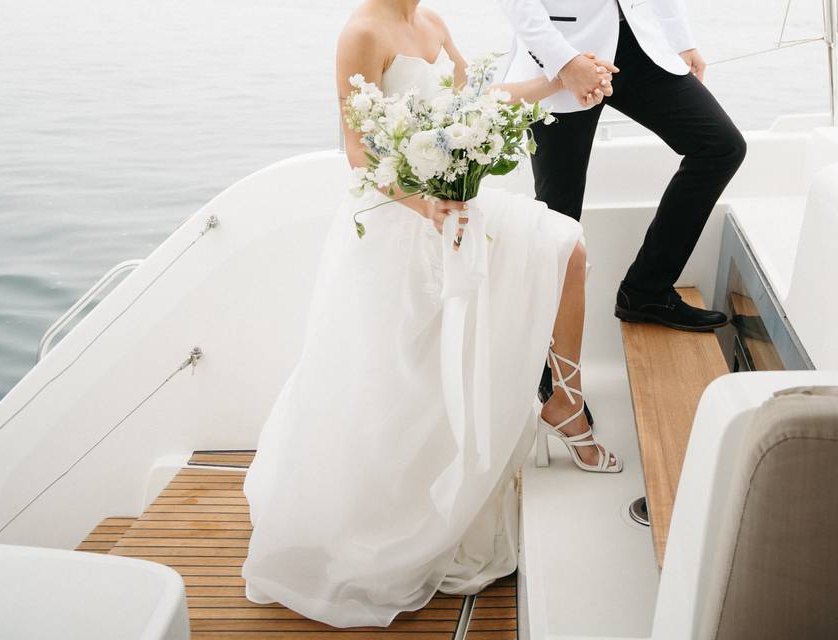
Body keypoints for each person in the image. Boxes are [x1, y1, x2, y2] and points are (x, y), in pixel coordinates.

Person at [241, 0, 622, 628]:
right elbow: (358, 151)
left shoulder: (435, 23)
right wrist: (424, 207)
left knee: (568, 248)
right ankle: (405, 506)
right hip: (398, 216)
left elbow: (480, 103)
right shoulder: (361, 32)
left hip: (454, 203)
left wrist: (559, 80)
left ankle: (564, 401)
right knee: (410, 374)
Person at [500, 0, 747, 334]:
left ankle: (646, 291)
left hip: (636, 43)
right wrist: (566, 62)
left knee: (721, 147)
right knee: (560, 216)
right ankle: (544, 357)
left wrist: (681, 40)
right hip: (559, 53)